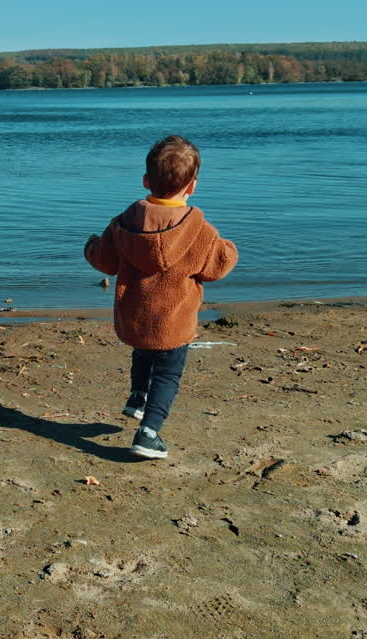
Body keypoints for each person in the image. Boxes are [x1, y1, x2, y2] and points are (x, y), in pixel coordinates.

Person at [84, 135, 238, 459]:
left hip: (135, 316)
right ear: (192, 186)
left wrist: (91, 244)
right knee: (168, 374)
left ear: (145, 181)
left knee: (143, 353)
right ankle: (149, 433)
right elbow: (216, 266)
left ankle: (137, 396)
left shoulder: (125, 222)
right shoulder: (200, 231)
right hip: (174, 320)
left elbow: (106, 261)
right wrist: (231, 250)